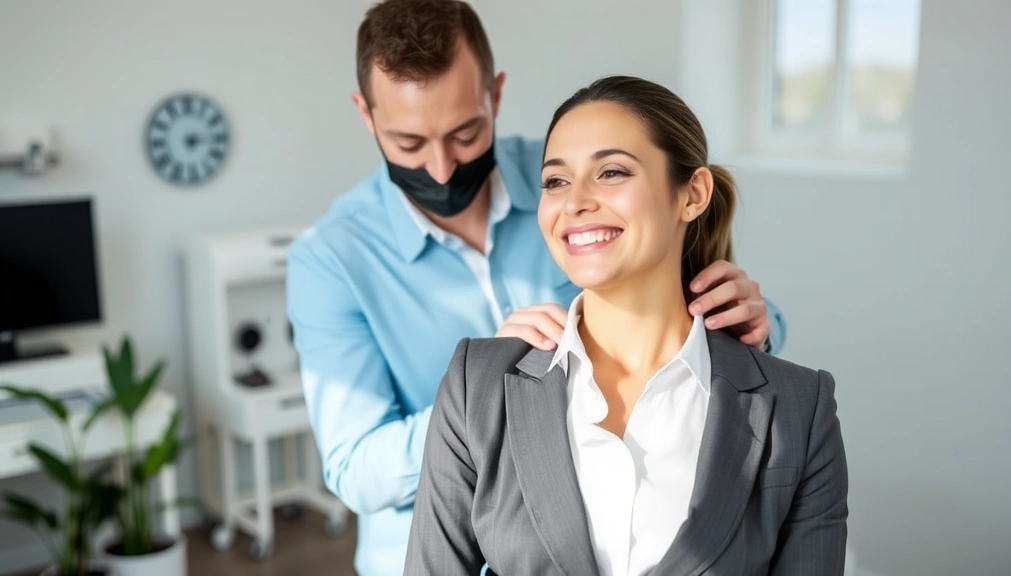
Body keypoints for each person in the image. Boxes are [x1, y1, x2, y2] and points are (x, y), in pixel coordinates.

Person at [286, 1, 788, 574]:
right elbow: (357, 470)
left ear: (495, 95)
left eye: (466, 133)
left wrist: (756, 318)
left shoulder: (571, 186)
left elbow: (703, 318)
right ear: (366, 114)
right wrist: (483, 396)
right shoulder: (329, 260)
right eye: (409, 144)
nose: (443, 169)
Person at [405, 75, 848, 576]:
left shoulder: (800, 409)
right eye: (555, 180)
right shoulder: (476, 385)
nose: (574, 202)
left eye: (612, 172)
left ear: (693, 194)